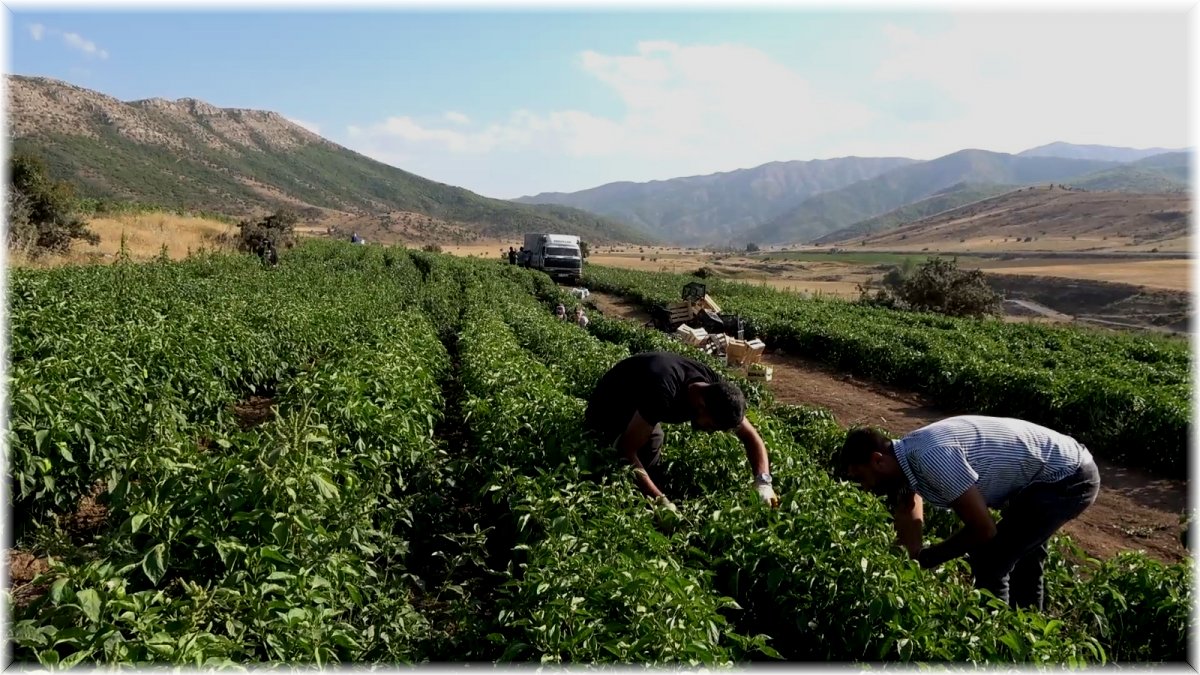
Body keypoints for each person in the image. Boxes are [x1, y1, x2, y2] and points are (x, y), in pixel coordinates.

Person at [837, 415, 1100, 611]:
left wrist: (930, 557)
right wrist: (907, 564)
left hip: (1066, 477)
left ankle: (997, 645)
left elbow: (983, 529)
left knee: (990, 558)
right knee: (1021, 557)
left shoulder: (931, 457)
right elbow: (908, 508)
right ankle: (1029, 633)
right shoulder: (905, 456)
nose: (866, 487)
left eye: (862, 478)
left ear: (877, 460)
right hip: (1047, 475)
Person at [585, 351, 779, 513]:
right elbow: (627, 450)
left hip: (639, 403)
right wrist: (660, 503)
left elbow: (751, 437)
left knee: (652, 444)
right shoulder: (662, 392)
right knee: (618, 456)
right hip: (608, 406)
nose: (710, 432)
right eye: (711, 426)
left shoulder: (715, 391)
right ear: (702, 406)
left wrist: (763, 482)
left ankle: (651, 492)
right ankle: (629, 503)